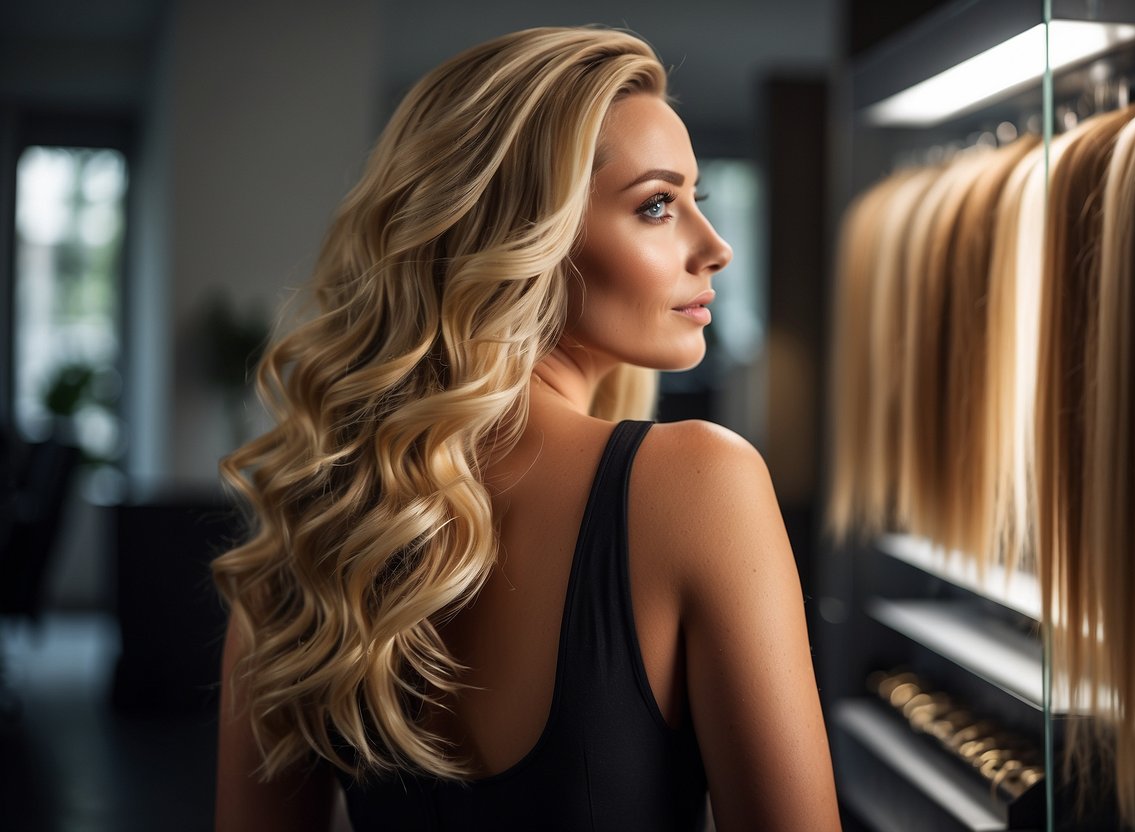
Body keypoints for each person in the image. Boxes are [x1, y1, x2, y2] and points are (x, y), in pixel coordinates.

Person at [213, 26, 841, 832]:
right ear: (521, 238)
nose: (712, 248)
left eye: (696, 200)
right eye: (656, 205)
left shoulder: (308, 529)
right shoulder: (699, 483)